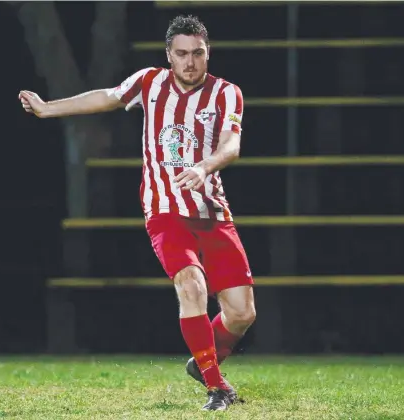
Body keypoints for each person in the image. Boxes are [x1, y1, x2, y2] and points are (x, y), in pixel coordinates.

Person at [19, 15, 256, 411]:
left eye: (198, 53)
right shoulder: (149, 82)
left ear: (207, 53)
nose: (190, 62)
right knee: (191, 285)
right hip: (163, 211)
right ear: (169, 55)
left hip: (212, 212)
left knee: (242, 313)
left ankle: (203, 364)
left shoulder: (227, 94)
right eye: (181, 54)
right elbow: (105, 97)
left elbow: (231, 145)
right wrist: (48, 109)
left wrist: (204, 166)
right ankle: (217, 387)